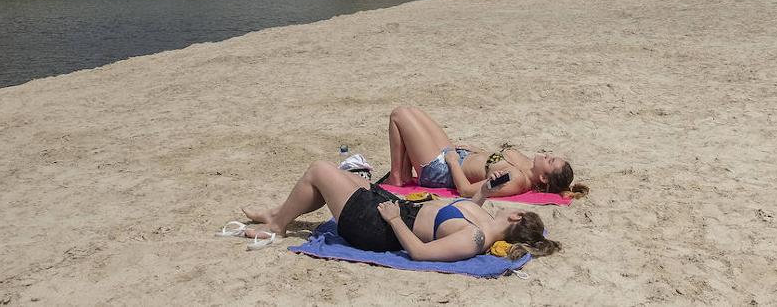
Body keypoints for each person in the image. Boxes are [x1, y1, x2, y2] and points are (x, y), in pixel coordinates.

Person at [238, 160, 560, 261]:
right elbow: (455, 214)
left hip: (378, 227)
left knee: (320, 171)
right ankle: (278, 213)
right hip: (394, 210)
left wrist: (393, 220)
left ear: (516, 218)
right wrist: (485, 192)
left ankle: (278, 224)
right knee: (344, 178)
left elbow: (420, 252)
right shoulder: (485, 221)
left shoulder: (475, 239)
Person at [386, 105, 589, 199]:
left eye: (550, 160)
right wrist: (479, 152)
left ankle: (396, 178)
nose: (547, 155)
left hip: (441, 170)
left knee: (399, 115)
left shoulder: (515, 180)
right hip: (456, 158)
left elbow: (466, 191)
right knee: (412, 111)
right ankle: (404, 174)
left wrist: (453, 162)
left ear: (544, 177)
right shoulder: (526, 164)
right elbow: (492, 162)